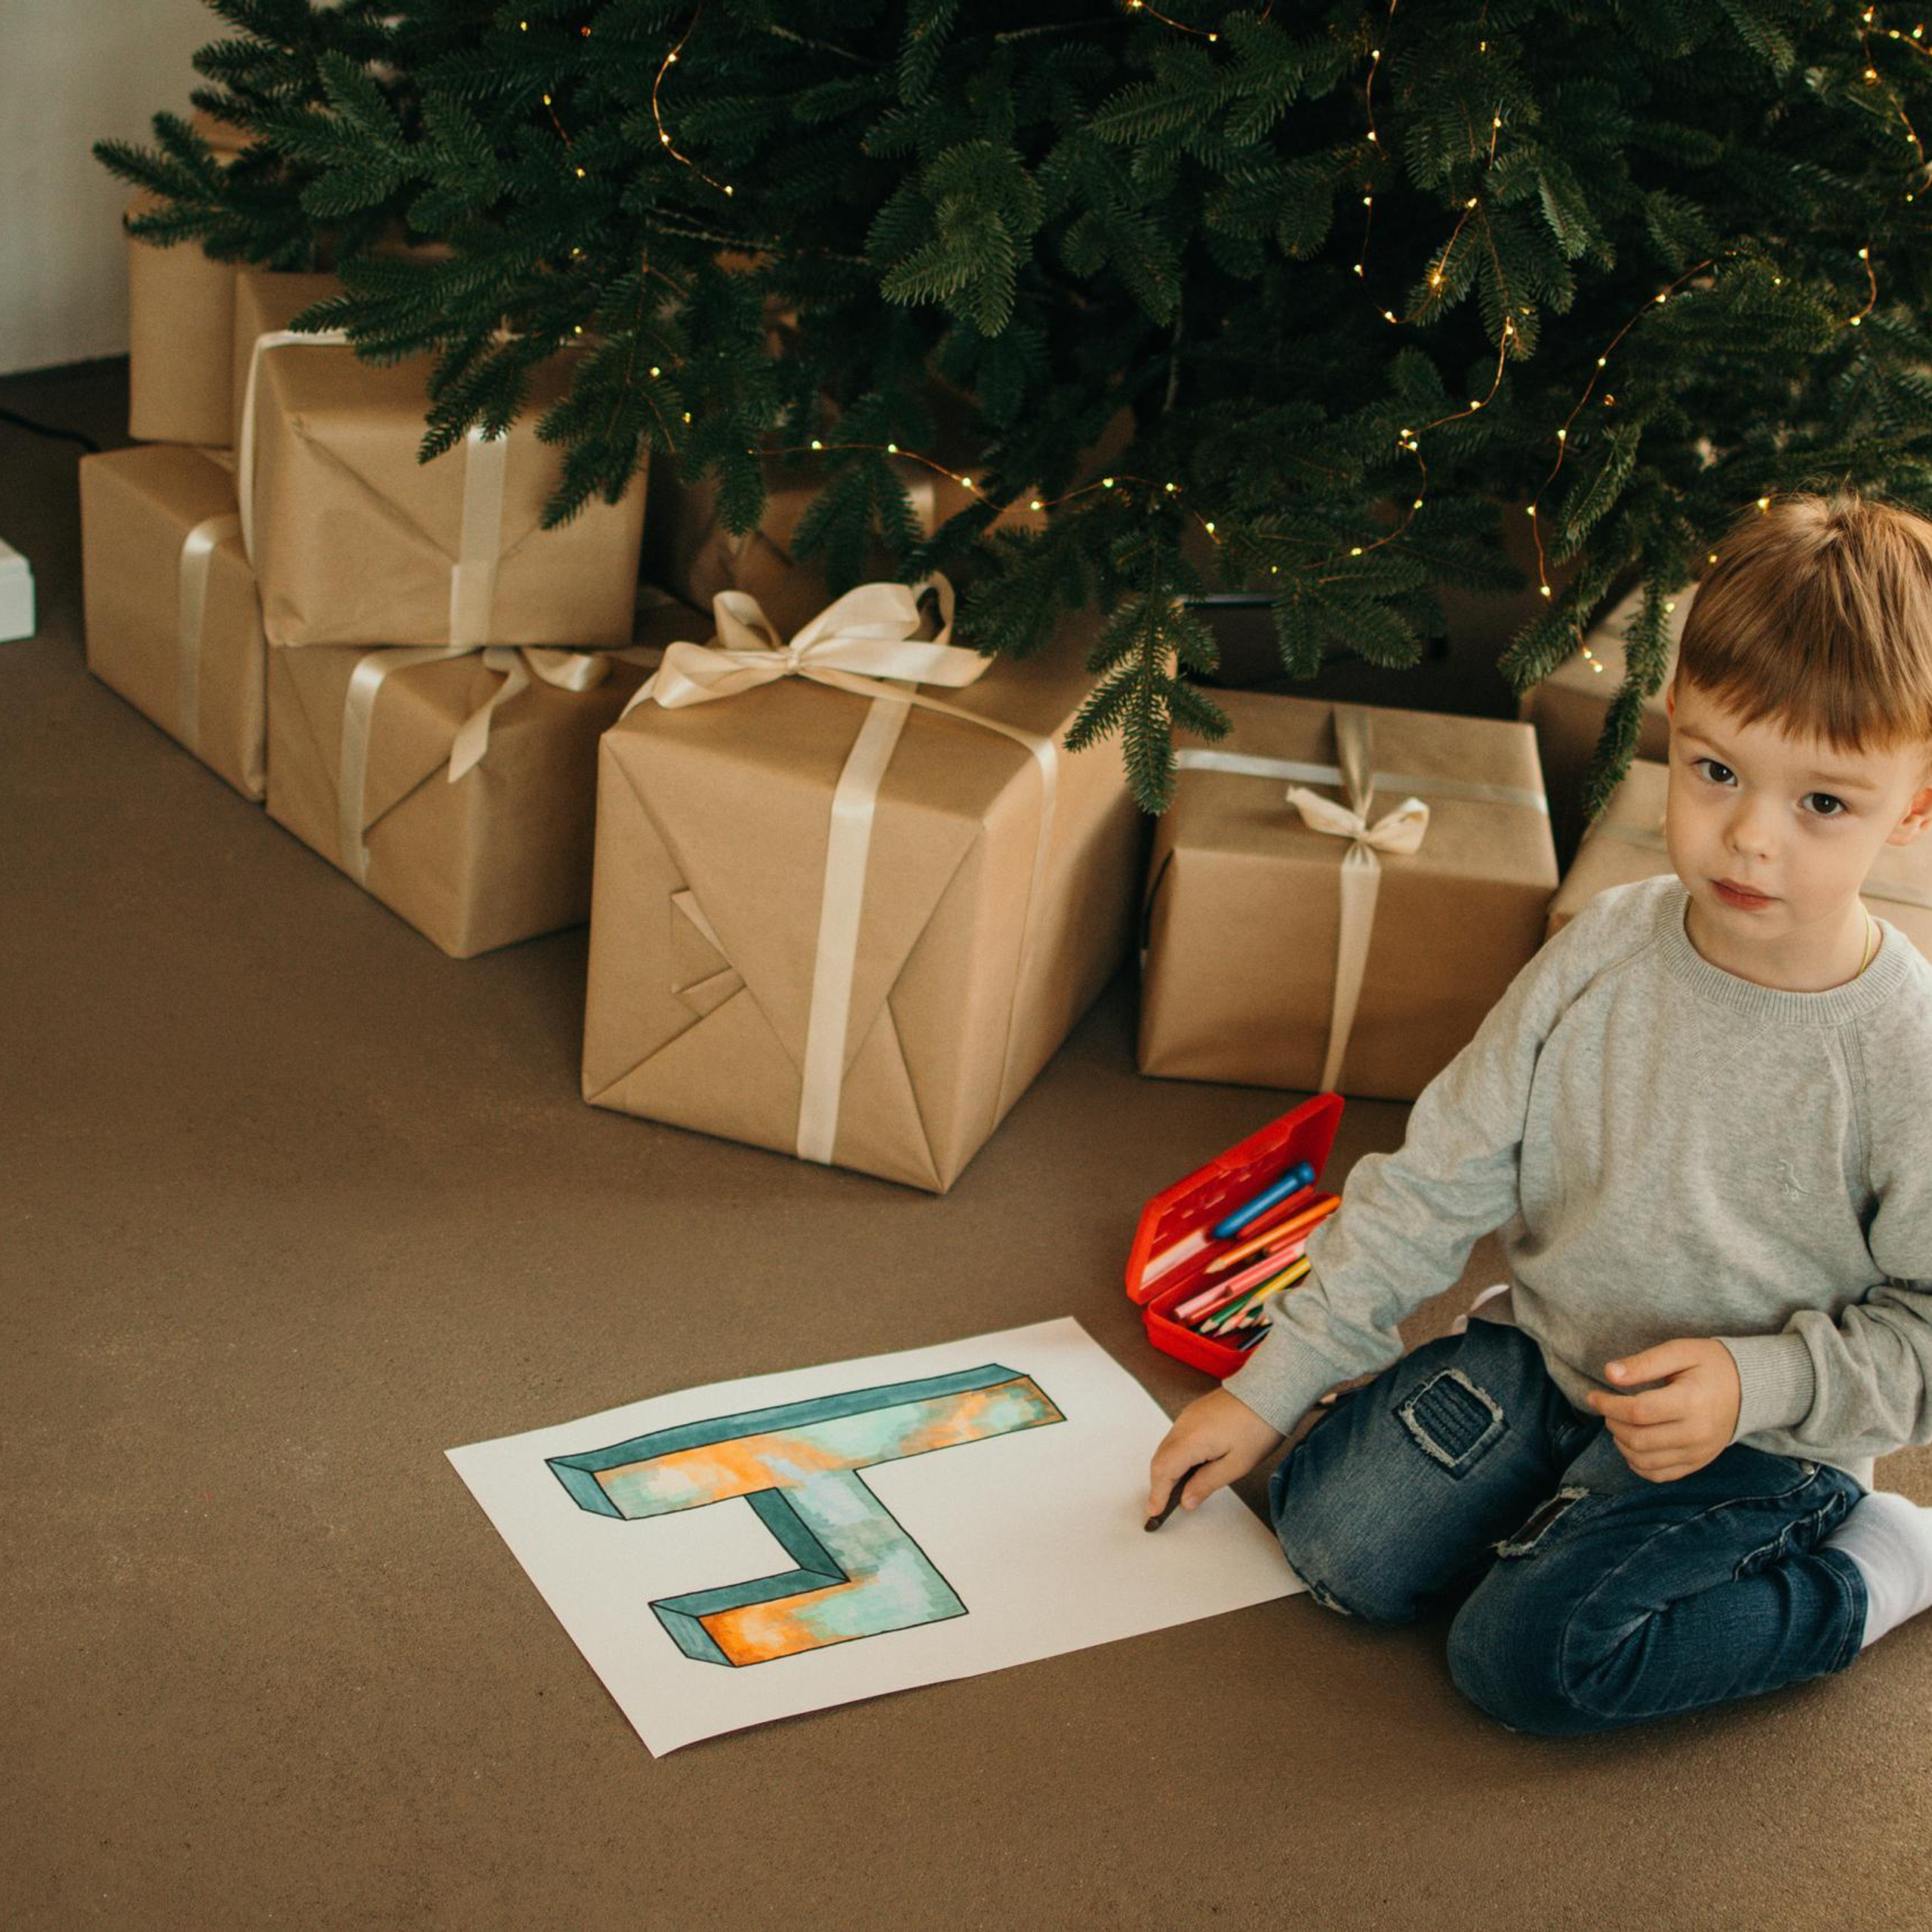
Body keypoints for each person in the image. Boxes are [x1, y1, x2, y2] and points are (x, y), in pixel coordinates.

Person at [1147, 489, 1932, 1735]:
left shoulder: (1906, 1050)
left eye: (1821, 804)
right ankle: (1562, 1500)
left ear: (1917, 802)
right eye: (1717, 771)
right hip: (1553, 1361)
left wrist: (1758, 1383)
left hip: (1765, 1442)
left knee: (1527, 1662)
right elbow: (1441, 1171)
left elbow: (1927, 1337)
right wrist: (1272, 1384)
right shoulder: (1605, 949)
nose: (1748, 840)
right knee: (1333, 1545)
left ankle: (1874, 1566)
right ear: (1675, 734)